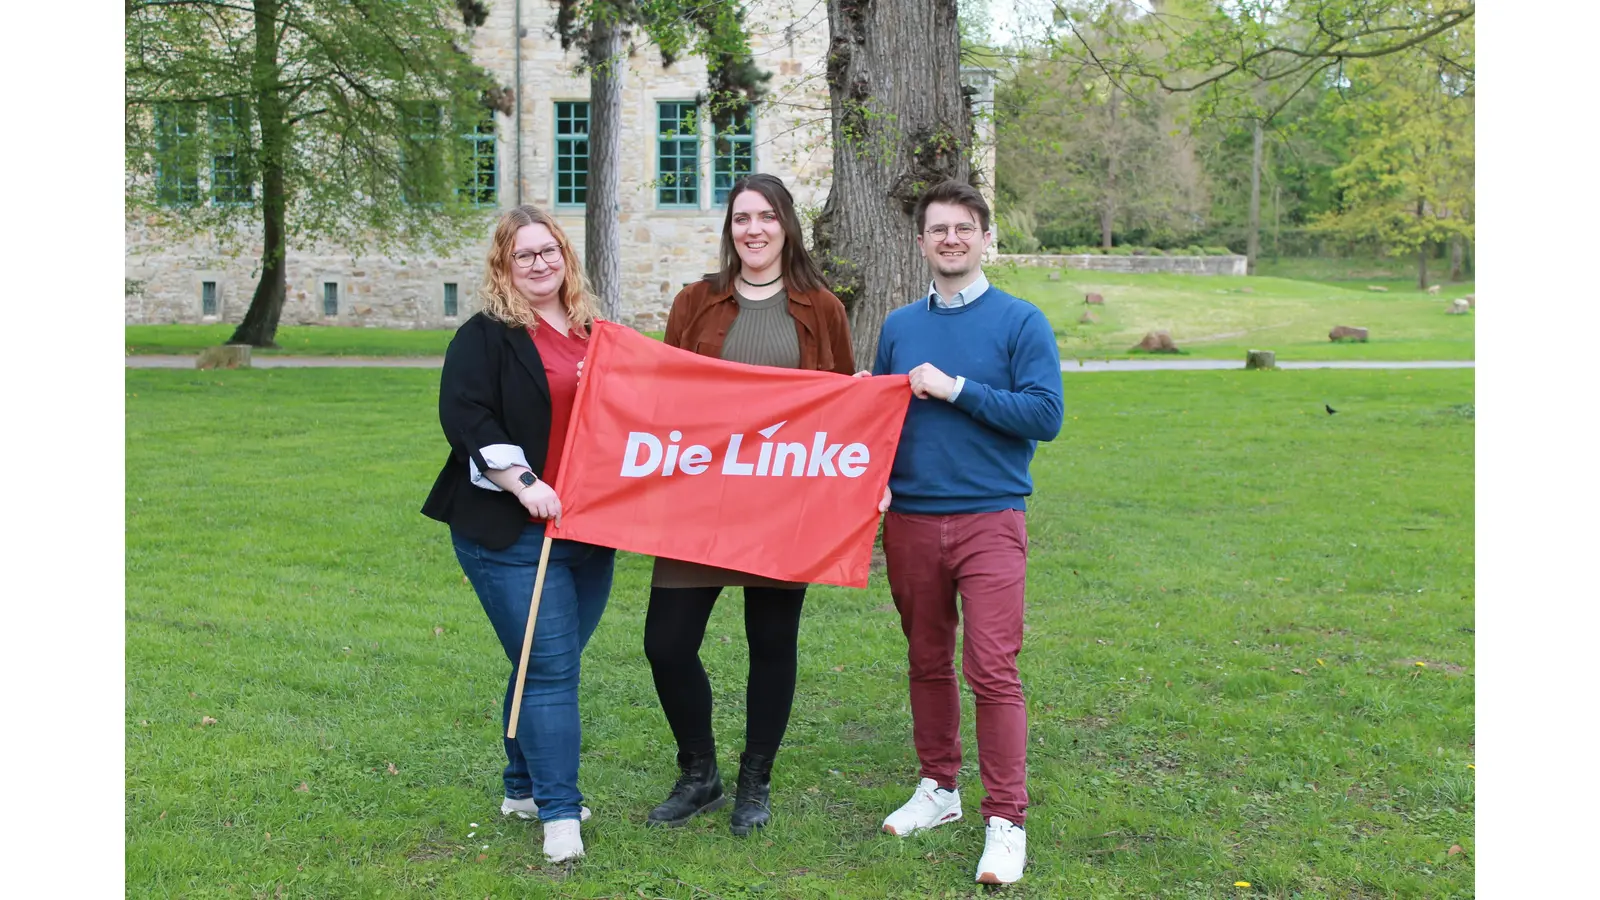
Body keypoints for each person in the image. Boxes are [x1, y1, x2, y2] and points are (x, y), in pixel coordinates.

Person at [643, 173, 856, 836]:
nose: (754, 229)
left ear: (786, 224)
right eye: (742, 219)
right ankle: (698, 773)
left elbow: (845, 407)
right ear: (730, 229)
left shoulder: (822, 308)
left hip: (783, 508)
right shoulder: (695, 303)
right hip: (700, 504)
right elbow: (664, 394)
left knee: (771, 643)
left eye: (765, 217)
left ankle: (754, 781)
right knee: (666, 643)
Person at [869, 180, 1065, 885]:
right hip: (914, 520)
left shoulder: (1021, 322)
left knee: (991, 668)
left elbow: (1045, 416)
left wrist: (956, 389)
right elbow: (876, 416)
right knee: (926, 658)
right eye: (938, 230)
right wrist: (876, 476)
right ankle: (939, 790)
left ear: (986, 239)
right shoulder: (898, 327)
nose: (950, 239)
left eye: (964, 229)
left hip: (990, 517)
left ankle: (1006, 820)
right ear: (921, 242)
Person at [421, 205, 615, 864]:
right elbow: (465, 416)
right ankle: (561, 814)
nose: (539, 263)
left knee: (539, 662)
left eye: (549, 251)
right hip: (511, 529)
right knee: (552, 668)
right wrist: (524, 482)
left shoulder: (599, 333)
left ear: (566, 256)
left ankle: (522, 788)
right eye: (524, 255)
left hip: (590, 529)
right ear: (505, 266)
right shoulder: (486, 335)